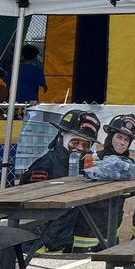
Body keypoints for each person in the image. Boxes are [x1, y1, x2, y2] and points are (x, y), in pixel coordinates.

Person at [19, 108, 101, 252]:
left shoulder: (81, 168)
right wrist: (37, 248)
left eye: (85, 144)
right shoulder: (44, 167)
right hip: (40, 247)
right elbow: (29, 214)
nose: (79, 148)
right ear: (62, 137)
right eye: (74, 141)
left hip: (62, 243)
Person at [74, 113, 135, 251]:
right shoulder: (91, 160)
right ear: (110, 137)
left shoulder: (130, 167)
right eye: (119, 137)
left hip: (111, 229)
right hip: (86, 229)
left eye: (126, 140)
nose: (122, 143)